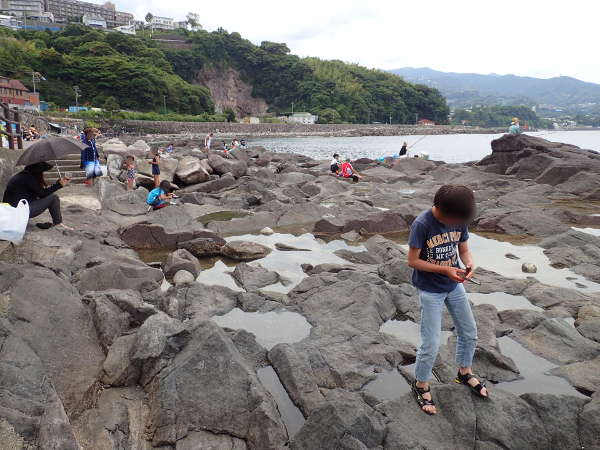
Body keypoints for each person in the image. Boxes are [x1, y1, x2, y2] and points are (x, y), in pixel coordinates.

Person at [407, 185, 487, 415]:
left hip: (454, 286)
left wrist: (470, 263)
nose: (456, 224)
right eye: (453, 219)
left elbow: (463, 250)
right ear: (440, 209)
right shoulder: (422, 224)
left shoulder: (460, 218)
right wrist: (444, 270)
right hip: (430, 290)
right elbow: (412, 261)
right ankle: (420, 384)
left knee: (469, 332)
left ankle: (464, 372)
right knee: (430, 343)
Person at [2, 162, 72, 230]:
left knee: (51, 197)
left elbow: (39, 193)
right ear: (38, 170)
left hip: (11, 211)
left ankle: (57, 223)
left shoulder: (24, 175)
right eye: (42, 171)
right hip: (18, 212)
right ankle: (58, 223)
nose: (43, 173)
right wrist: (59, 185)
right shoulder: (28, 178)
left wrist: (57, 184)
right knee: (54, 197)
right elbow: (42, 194)